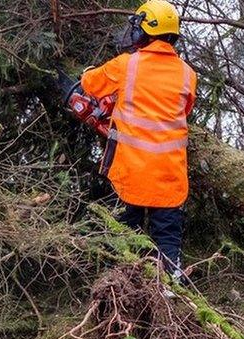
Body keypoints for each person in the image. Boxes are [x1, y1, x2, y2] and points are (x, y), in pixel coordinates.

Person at [81, 0, 197, 282]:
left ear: (145, 31)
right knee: (167, 238)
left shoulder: (126, 65)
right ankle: (170, 288)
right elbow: (185, 109)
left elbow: (90, 84)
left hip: (129, 173)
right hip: (169, 175)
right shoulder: (187, 74)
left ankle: (120, 289)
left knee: (123, 233)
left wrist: (86, 72)